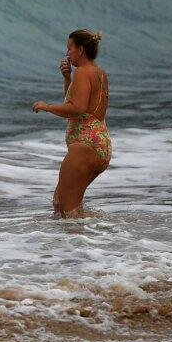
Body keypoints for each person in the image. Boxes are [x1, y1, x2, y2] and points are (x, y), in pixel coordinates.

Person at [32, 29, 111, 217]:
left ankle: (82, 244)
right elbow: (80, 104)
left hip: (84, 148)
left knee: (67, 210)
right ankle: (94, 238)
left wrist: (47, 106)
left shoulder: (83, 72)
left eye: (70, 49)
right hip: (100, 146)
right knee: (61, 204)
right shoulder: (99, 72)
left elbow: (77, 108)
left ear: (81, 50)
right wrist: (67, 79)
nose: (67, 53)